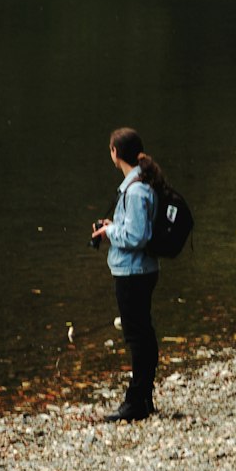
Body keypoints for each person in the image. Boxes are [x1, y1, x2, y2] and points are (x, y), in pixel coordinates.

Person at [92, 125, 161, 422]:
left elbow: (135, 236)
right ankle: (144, 397)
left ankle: (137, 402)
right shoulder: (144, 183)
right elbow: (138, 228)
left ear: (115, 153)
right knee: (143, 333)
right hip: (143, 270)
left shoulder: (135, 190)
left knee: (137, 336)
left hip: (132, 272)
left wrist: (109, 230)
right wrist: (114, 224)